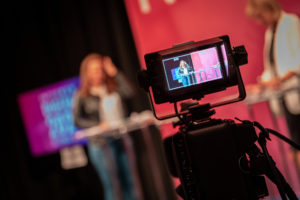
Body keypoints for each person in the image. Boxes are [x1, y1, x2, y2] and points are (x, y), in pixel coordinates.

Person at [245, 0, 300, 178]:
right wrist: (261, 86)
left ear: (269, 8)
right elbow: (272, 68)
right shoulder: (271, 32)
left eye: (260, 16)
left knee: (297, 147)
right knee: (294, 147)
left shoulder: (291, 23)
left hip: (295, 93)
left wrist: (281, 79)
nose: (260, 21)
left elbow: (296, 62)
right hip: (285, 98)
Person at [73, 53, 135, 200]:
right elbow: (77, 120)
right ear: (86, 73)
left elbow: (130, 92)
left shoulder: (112, 87)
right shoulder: (81, 95)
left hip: (121, 138)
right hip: (101, 144)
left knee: (130, 182)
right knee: (113, 186)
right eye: (94, 70)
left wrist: (114, 72)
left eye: (100, 69)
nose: (98, 73)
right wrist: (98, 125)